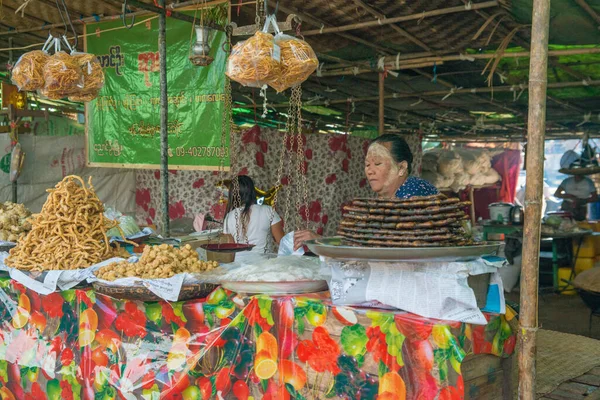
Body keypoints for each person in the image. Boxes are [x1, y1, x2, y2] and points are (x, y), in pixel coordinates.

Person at [294, 134, 438, 250]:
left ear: (401, 168)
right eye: (367, 164)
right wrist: (320, 242)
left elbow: (391, 246)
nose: (369, 170)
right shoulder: (383, 201)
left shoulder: (415, 190)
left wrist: (321, 243)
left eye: (377, 164)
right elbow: (361, 241)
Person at [223, 175, 284, 252]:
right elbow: (282, 242)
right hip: (265, 262)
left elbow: (230, 248)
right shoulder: (268, 211)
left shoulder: (229, 216)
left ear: (232, 194)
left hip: (239, 262)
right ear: (253, 191)